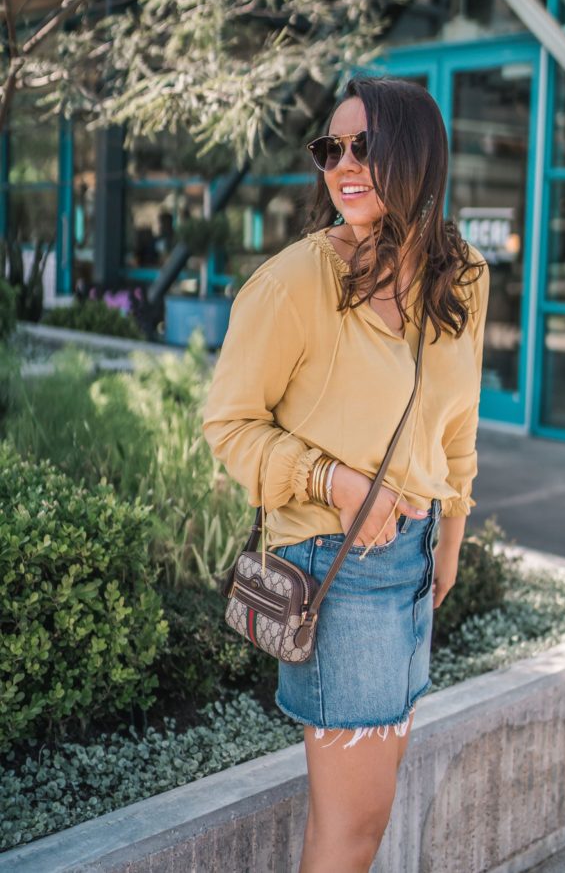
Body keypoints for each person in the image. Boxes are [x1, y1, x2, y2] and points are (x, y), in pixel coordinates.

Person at [202, 75, 490, 873]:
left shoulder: (460, 274)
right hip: (336, 568)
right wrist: (336, 482)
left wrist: (453, 536)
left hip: (412, 560)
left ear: (417, 154)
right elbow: (228, 427)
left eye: (364, 145)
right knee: (355, 828)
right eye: (330, 148)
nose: (343, 164)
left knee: (368, 809)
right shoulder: (294, 284)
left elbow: (458, 424)